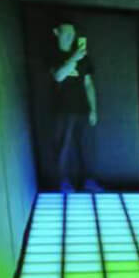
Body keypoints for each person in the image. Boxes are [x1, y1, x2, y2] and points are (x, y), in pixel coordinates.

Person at [48, 19, 101, 193]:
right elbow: (58, 76)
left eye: (72, 33)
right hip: (62, 110)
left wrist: (93, 109)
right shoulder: (52, 55)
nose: (70, 37)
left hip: (82, 109)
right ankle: (63, 183)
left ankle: (88, 181)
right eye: (66, 32)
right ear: (57, 32)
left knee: (85, 147)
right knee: (63, 147)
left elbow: (88, 84)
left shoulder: (83, 57)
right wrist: (73, 58)